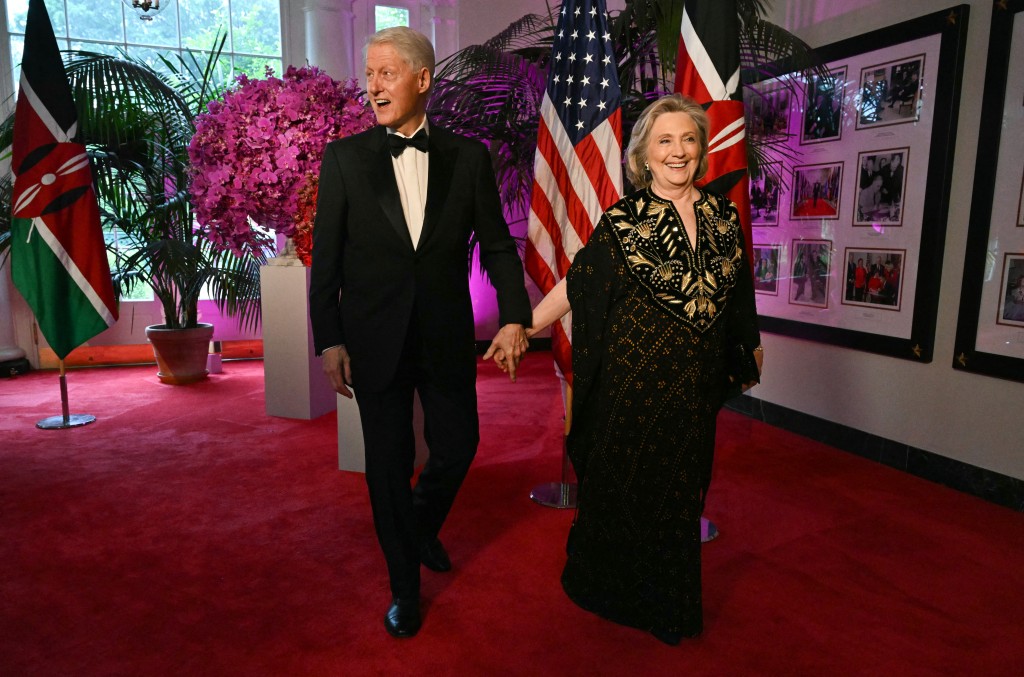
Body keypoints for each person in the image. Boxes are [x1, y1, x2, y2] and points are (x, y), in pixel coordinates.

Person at [489, 94, 762, 643]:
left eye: (688, 139)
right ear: (643, 156)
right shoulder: (623, 221)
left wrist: (748, 346)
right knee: (627, 490)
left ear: (702, 150)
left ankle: (669, 604)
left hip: (692, 389)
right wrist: (523, 325)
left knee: (682, 494)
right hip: (632, 384)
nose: (678, 151)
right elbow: (576, 285)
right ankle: (610, 589)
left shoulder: (722, 216)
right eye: (665, 141)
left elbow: (737, 296)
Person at [308, 27, 532, 639]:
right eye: (369, 74)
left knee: (458, 446)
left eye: (386, 73)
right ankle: (404, 587)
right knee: (388, 464)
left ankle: (417, 528)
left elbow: (497, 244)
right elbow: (323, 259)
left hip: (443, 334)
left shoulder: (468, 157)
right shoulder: (345, 159)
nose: (372, 86)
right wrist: (329, 338)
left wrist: (514, 314)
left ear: (422, 79)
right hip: (371, 339)